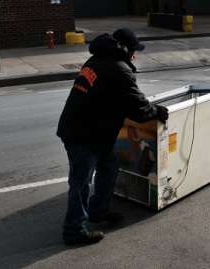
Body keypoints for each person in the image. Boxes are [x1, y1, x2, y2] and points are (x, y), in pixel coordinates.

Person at [57, 28, 169, 246]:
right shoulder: (119, 69)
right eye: (134, 51)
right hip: (83, 135)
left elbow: (111, 97)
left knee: (109, 166)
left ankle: (98, 211)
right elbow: (138, 108)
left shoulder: (96, 59)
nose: (135, 55)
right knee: (80, 182)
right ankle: (73, 231)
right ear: (125, 49)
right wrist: (157, 111)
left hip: (91, 130)